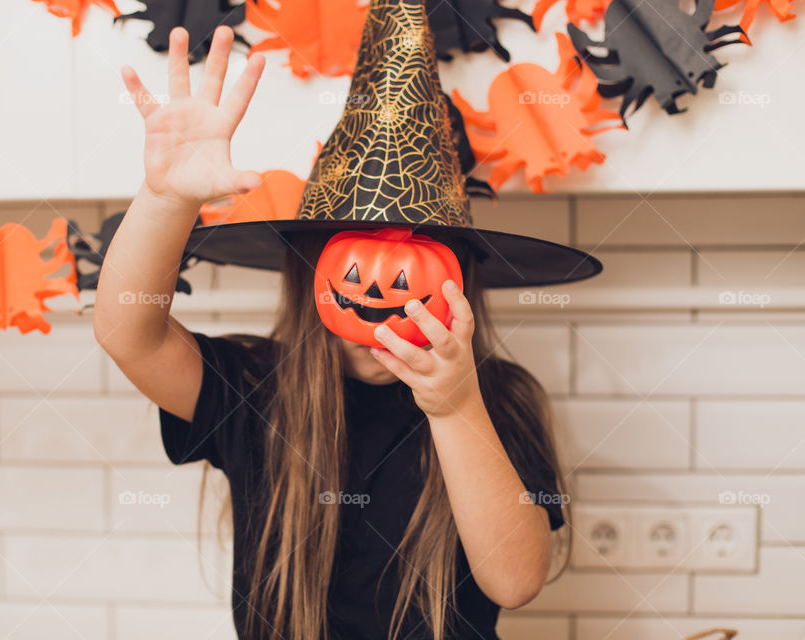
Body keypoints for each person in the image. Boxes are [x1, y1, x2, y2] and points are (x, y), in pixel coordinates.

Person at [94, 10, 589, 639]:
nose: (385, 291)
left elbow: (515, 581)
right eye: (356, 260)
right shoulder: (255, 388)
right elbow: (126, 334)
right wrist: (167, 199)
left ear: (457, 282)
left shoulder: (499, 399)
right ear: (310, 272)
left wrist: (456, 406)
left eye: (415, 265)